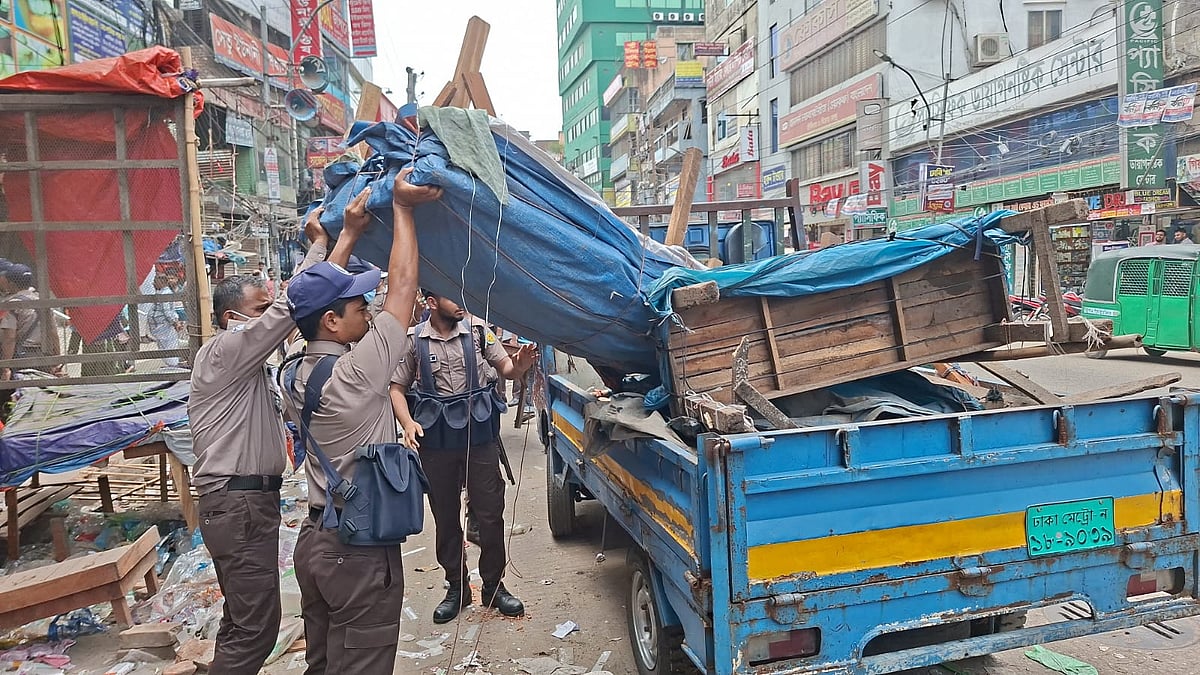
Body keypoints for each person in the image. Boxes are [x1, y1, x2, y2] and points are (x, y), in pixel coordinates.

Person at [282, 168, 441, 674]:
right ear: (332, 321)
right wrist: (402, 208)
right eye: (358, 305)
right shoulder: (356, 374)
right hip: (356, 552)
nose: (369, 310)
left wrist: (343, 237)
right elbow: (404, 288)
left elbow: (307, 298)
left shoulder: (293, 373)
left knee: (325, 662)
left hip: (315, 543)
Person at [188, 207, 331, 675]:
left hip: (243, 504)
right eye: (258, 310)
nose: (268, 317)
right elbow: (289, 309)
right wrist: (320, 244)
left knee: (241, 622)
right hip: (238, 504)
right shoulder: (227, 350)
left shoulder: (245, 367)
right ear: (231, 318)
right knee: (255, 630)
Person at [390, 292, 537, 624]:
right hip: (436, 440)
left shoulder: (479, 331)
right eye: (450, 296)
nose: (460, 301)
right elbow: (396, 388)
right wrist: (408, 423)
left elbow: (507, 368)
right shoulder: (414, 341)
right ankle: (457, 587)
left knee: (490, 514)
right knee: (445, 516)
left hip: (479, 435)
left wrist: (521, 363)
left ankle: (494, 586)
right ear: (431, 302)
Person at [0, 262, 60, 378]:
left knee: (20, 387)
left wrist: (6, 367)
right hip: (44, 356)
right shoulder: (42, 301)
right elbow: (53, 333)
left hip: (21, 356)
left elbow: (10, 338)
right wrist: (56, 361)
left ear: (11, 284)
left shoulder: (13, 305)